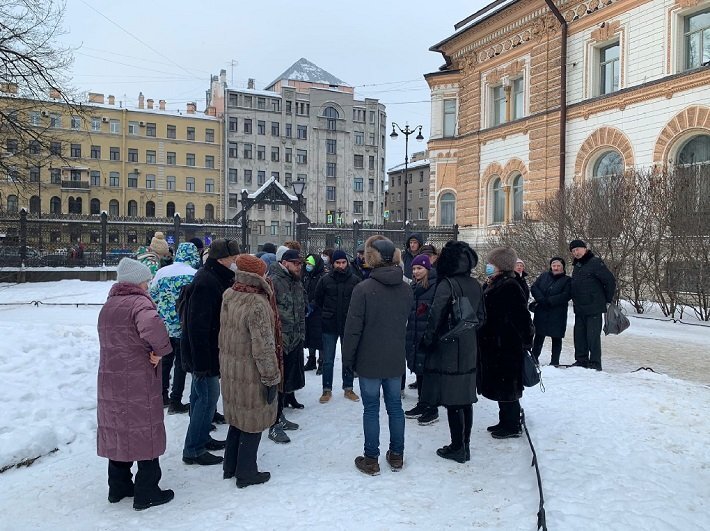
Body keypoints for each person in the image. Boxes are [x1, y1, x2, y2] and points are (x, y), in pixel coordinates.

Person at [97, 258, 174, 510]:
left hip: (111, 378)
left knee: (119, 428)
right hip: (138, 377)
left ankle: (118, 487)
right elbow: (153, 327)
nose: (148, 285)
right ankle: (147, 490)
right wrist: (161, 350)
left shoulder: (109, 304)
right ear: (139, 282)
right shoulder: (139, 302)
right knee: (145, 429)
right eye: (146, 281)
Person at [343, 236, 413, 475]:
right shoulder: (406, 289)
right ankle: (396, 455)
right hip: (394, 357)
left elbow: (353, 329)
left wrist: (348, 360)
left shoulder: (363, 289)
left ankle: (371, 458)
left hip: (369, 358)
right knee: (395, 407)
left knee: (371, 408)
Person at [419, 241, 485, 463]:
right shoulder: (475, 284)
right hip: (469, 346)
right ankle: (464, 445)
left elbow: (435, 317)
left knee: (453, 399)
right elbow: (482, 317)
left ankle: (458, 447)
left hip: (448, 349)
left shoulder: (447, 284)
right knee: (465, 398)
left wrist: (428, 341)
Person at [219, 254, 281, 488]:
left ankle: (230, 465)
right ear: (257, 275)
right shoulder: (257, 303)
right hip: (251, 372)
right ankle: (246, 472)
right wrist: (271, 377)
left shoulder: (230, 293)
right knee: (252, 421)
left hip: (232, 367)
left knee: (237, 417)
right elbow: (264, 346)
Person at [181, 239, 239, 466]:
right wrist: (203, 363)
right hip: (204, 355)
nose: (235, 262)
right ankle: (193, 449)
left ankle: (202, 438)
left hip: (207, 353)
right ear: (222, 259)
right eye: (233, 259)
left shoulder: (214, 278)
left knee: (200, 399)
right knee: (206, 399)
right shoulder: (207, 282)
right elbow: (198, 326)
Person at [478, 247, 534, 439]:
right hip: (495, 344)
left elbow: (522, 316)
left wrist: (526, 341)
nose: (488, 266)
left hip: (507, 345)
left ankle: (512, 425)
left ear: (500, 265)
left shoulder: (509, 285)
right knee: (501, 386)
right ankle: (505, 420)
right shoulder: (495, 282)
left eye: (491, 263)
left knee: (508, 387)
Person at [149, 242, 201, 412]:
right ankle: (175, 401)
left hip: (163, 326)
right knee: (181, 363)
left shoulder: (162, 272)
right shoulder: (195, 274)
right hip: (184, 325)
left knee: (165, 361)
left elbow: (152, 296)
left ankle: (161, 395)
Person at [267, 248, 306, 443]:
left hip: (294, 340)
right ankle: (272, 424)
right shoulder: (273, 281)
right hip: (278, 341)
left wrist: (301, 334)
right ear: (285, 262)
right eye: (296, 263)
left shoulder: (295, 281)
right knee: (276, 383)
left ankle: (279, 415)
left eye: (301, 263)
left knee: (285, 383)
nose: (300, 266)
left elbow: (299, 309)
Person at [314, 249, 360, 404]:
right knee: (328, 359)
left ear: (347, 263)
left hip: (348, 324)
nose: (341, 265)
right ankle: (326, 389)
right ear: (333, 263)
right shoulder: (325, 280)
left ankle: (348, 388)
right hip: (329, 324)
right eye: (338, 262)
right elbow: (318, 299)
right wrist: (327, 313)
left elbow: (358, 302)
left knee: (348, 358)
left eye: (343, 262)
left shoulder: (354, 280)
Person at [569, 239, 616, 370]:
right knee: (579, 336)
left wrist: (606, 299)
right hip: (579, 308)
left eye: (577, 249)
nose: (576, 252)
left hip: (593, 307)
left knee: (592, 336)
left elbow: (610, 281)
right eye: (573, 251)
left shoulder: (595, 262)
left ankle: (595, 363)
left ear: (585, 249)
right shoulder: (577, 266)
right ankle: (581, 360)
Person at [404, 254, 439, 426]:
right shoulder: (414, 287)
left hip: (427, 335)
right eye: (414, 268)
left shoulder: (435, 286)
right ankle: (422, 403)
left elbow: (438, 311)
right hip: (415, 333)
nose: (416, 271)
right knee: (420, 371)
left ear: (427, 269)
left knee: (429, 373)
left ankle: (432, 408)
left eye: (420, 268)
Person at [530, 257, 572, 366]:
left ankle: (554, 361)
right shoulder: (544, 276)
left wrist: (550, 301)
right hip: (542, 310)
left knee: (556, 337)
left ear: (562, 267)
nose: (556, 268)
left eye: (558, 266)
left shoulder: (567, 280)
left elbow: (566, 295)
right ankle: (534, 358)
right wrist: (541, 299)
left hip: (558, 312)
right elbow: (534, 287)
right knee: (539, 336)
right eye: (554, 266)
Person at [303, 254, 326, 372]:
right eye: (307, 264)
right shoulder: (307, 276)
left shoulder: (322, 277)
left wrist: (313, 304)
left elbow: (322, 294)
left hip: (318, 312)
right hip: (308, 311)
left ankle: (322, 361)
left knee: (319, 337)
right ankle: (311, 359)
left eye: (310, 264)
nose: (308, 266)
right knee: (309, 336)